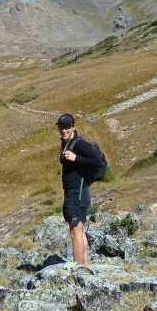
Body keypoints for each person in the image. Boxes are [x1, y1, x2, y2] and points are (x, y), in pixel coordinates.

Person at [57, 113, 104, 266]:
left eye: (67, 127)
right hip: (77, 192)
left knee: (75, 233)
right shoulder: (67, 143)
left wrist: (76, 158)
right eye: (61, 127)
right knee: (80, 231)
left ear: (74, 127)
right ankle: (85, 266)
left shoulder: (78, 143)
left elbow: (97, 161)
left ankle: (79, 270)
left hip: (77, 193)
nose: (63, 130)